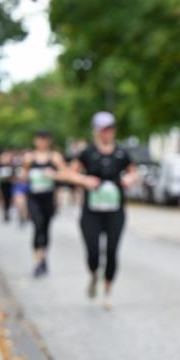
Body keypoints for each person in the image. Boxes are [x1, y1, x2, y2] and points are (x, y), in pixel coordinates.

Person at [68, 111, 137, 305]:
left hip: (115, 211)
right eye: (103, 130)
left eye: (110, 129)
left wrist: (129, 179)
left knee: (112, 251)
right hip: (92, 212)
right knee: (93, 251)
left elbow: (133, 172)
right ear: (96, 132)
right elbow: (70, 173)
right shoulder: (87, 153)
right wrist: (84, 180)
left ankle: (107, 292)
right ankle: (93, 274)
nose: (107, 133)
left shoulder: (122, 153)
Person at [24, 131, 67, 277]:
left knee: (46, 228)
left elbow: (65, 174)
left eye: (44, 140)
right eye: (39, 139)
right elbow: (24, 177)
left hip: (49, 198)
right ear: (35, 141)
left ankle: (43, 257)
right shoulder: (29, 158)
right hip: (33, 197)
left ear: (49, 141)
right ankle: (38, 262)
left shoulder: (55, 157)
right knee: (37, 225)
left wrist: (53, 175)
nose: (42, 142)